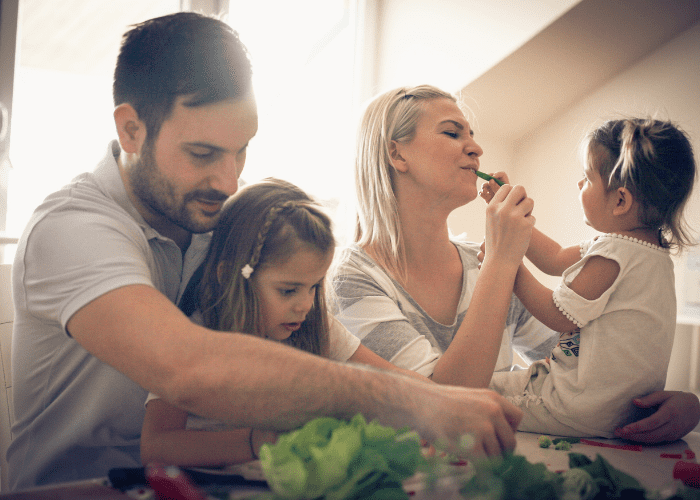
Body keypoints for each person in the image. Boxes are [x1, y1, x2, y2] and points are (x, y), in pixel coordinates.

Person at [9, 13, 523, 490]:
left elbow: (333, 343)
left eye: (242, 150)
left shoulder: (217, 216)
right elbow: (186, 368)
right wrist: (412, 400)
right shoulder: (72, 230)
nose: (229, 180)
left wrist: (440, 397)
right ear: (131, 129)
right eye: (203, 153)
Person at [332, 85, 700, 443]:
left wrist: (683, 405)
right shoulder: (352, 280)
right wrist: (502, 260)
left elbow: (587, 363)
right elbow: (442, 403)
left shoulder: (481, 265)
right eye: (451, 132)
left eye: (472, 135)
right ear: (397, 155)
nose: (476, 147)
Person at [141, 178, 429, 466]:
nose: (305, 305)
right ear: (229, 275)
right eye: (288, 290)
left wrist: (452, 405)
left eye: (314, 286)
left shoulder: (316, 325)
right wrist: (258, 442)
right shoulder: (191, 339)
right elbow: (155, 447)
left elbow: (393, 381)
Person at [482, 118, 697, 438]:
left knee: (472, 391)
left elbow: (558, 315)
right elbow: (554, 257)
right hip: (618, 410)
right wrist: (511, 209)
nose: (579, 185)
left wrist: (508, 263)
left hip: (572, 405)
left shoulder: (614, 254)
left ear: (621, 200)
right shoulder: (649, 255)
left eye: (587, 178)